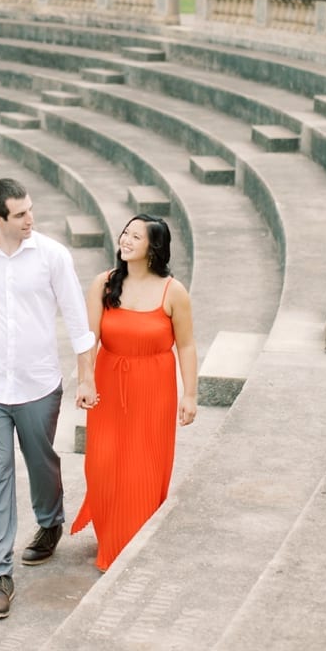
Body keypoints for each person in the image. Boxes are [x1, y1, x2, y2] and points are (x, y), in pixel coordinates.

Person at [0, 177, 97, 620]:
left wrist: (86, 377)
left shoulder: (52, 255)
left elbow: (77, 320)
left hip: (38, 384)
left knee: (40, 461)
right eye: (20, 214)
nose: (30, 218)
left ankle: (50, 521)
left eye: (30, 209)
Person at [71, 214, 198, 572]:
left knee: (143, 465)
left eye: (135, 236)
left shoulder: (173, 291)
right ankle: (110, 533)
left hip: (154, 389)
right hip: (109, 385)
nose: (125, 240)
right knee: (103, 462)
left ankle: (130, 543)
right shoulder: (104, 283)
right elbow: (89, 339)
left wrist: (191, 394)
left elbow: (186, 346)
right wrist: (86, 380)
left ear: (153, 248)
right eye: (125, 233)